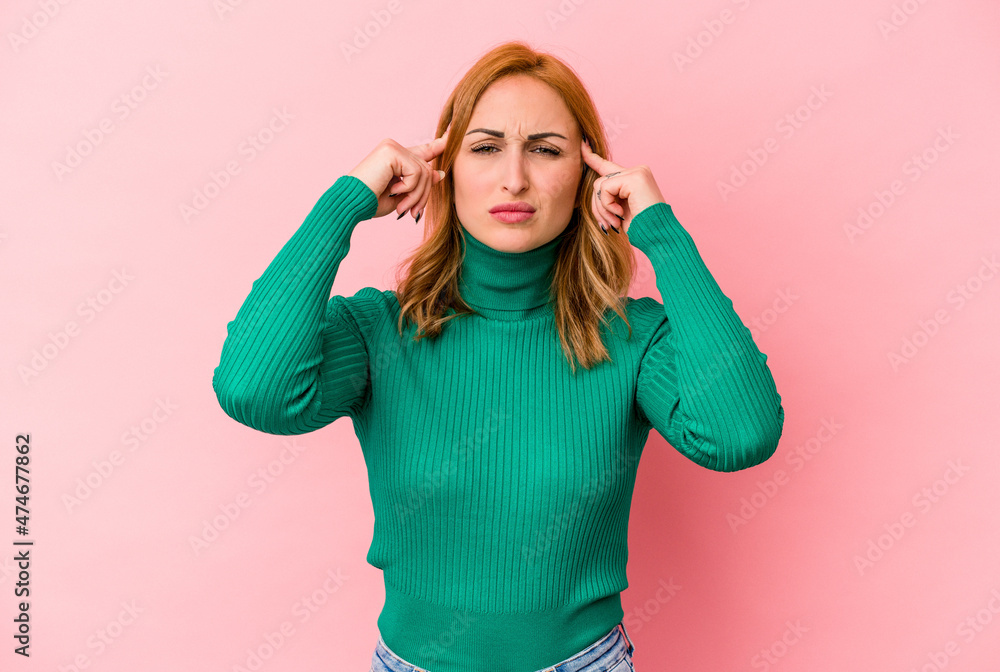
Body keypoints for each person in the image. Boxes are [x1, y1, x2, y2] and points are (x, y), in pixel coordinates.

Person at [212, 40, 784, 672]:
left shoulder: (634, 337)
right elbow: (254, 391)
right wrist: (344, 203)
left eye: (545, 149)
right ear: (445, 168)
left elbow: (739, 435)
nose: (515, 177)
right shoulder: (380, 329)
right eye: (485, 148)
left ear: (588, 176)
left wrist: (660, 230)